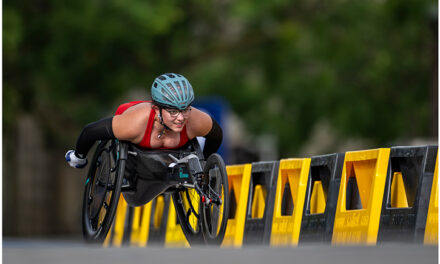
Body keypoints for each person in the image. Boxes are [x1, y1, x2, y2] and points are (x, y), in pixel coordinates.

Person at [65, 73, 223, 169]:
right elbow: (90, 131)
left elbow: (216, 136)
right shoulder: (134, 124)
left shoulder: (196, 119)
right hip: (135, 144)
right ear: (156, 109)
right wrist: (79, 156)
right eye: (173, 111)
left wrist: (205, 163)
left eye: (185, 110)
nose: (181, 118)